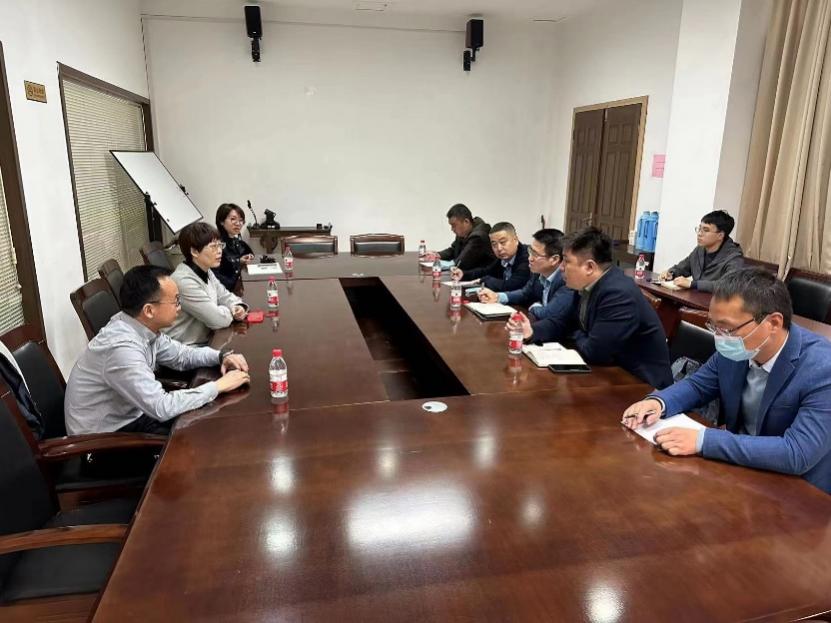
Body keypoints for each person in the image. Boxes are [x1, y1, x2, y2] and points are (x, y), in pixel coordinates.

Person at [622, 267, 831, 494]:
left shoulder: (822, 368)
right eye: (714, 327)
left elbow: (797, 452)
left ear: (773, 323)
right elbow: (698, 385)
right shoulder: (738, 349)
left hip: (798, 490)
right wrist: (658, 402)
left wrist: (704, 441)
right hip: (739, 469)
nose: (720, 338)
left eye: (727, 329)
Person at [65, 265, 251, 436]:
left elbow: (182, 355)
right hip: (105, 441)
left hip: (135, 415)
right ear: (149, 310)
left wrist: (221, 356)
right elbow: (162, 407)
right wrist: (218, 386)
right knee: (203, 435)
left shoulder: (140, 326)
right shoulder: (122, 348)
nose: (180, 308)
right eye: (176, 301)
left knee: (208, 422)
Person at [508, 227, 672, 389]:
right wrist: (532, 331)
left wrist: (576, 333)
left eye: (567, 261)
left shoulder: (618, 294)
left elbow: (595, 352)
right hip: (608, 374)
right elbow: (563, 322)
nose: (561, 267)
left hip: (640, 384)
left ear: (589, 267)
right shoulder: (586, 284)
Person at [165, 222, 248, 345]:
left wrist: (238, 306)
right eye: (213, 246)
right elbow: (217, 320)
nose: (220, 251)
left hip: (206, 341)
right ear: (194, 251)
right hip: (185, 348)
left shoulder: (205, 270)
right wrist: (231, 311)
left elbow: (224, 295)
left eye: (220, 245)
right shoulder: (184, 281)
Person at [478, 228, 573, 323]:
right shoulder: (538, 273)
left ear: (554, 260)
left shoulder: (566, 280)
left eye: (535, 254)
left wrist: (534, 307)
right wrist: (497, 297)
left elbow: (548, 313)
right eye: (530, 251)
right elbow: (525, 294)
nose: (530, 258)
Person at [660, 210, 743, 292]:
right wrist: (671, 273)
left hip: (715, 300)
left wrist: (693, 284)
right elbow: (683, 268)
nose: (699, 234)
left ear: (720, 235)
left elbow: (730, 285)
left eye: (706, 230)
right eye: (699, 229)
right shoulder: (700, 250)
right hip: (695, 298)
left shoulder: (733, 258)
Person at [449, 222, 530, 291]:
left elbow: (513, 285)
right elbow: (487, 271)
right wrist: (464, 274)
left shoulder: (527, 257)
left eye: (503, 242)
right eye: (494, 244)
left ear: (516, 240)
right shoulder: (503, 258)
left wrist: (485, 280)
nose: (499, 248)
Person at [425, 203, 494, 271]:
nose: (452, 229)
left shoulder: (478, 237)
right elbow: (454, 250)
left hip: (483, 275)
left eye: (454, 225)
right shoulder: (464, 232)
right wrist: (438, 255)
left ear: (466, 222)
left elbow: (461, 263)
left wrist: (439, 264)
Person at [214, 203, 255, 292]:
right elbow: (219, 275)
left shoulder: (235, 239)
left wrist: (248, 257)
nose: (238, 223)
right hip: (226, 290)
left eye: (241, 220)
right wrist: (239, 261)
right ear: (221, 221)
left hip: (239, 284)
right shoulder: (217, 244)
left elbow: (248, 253)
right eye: (233, 219)